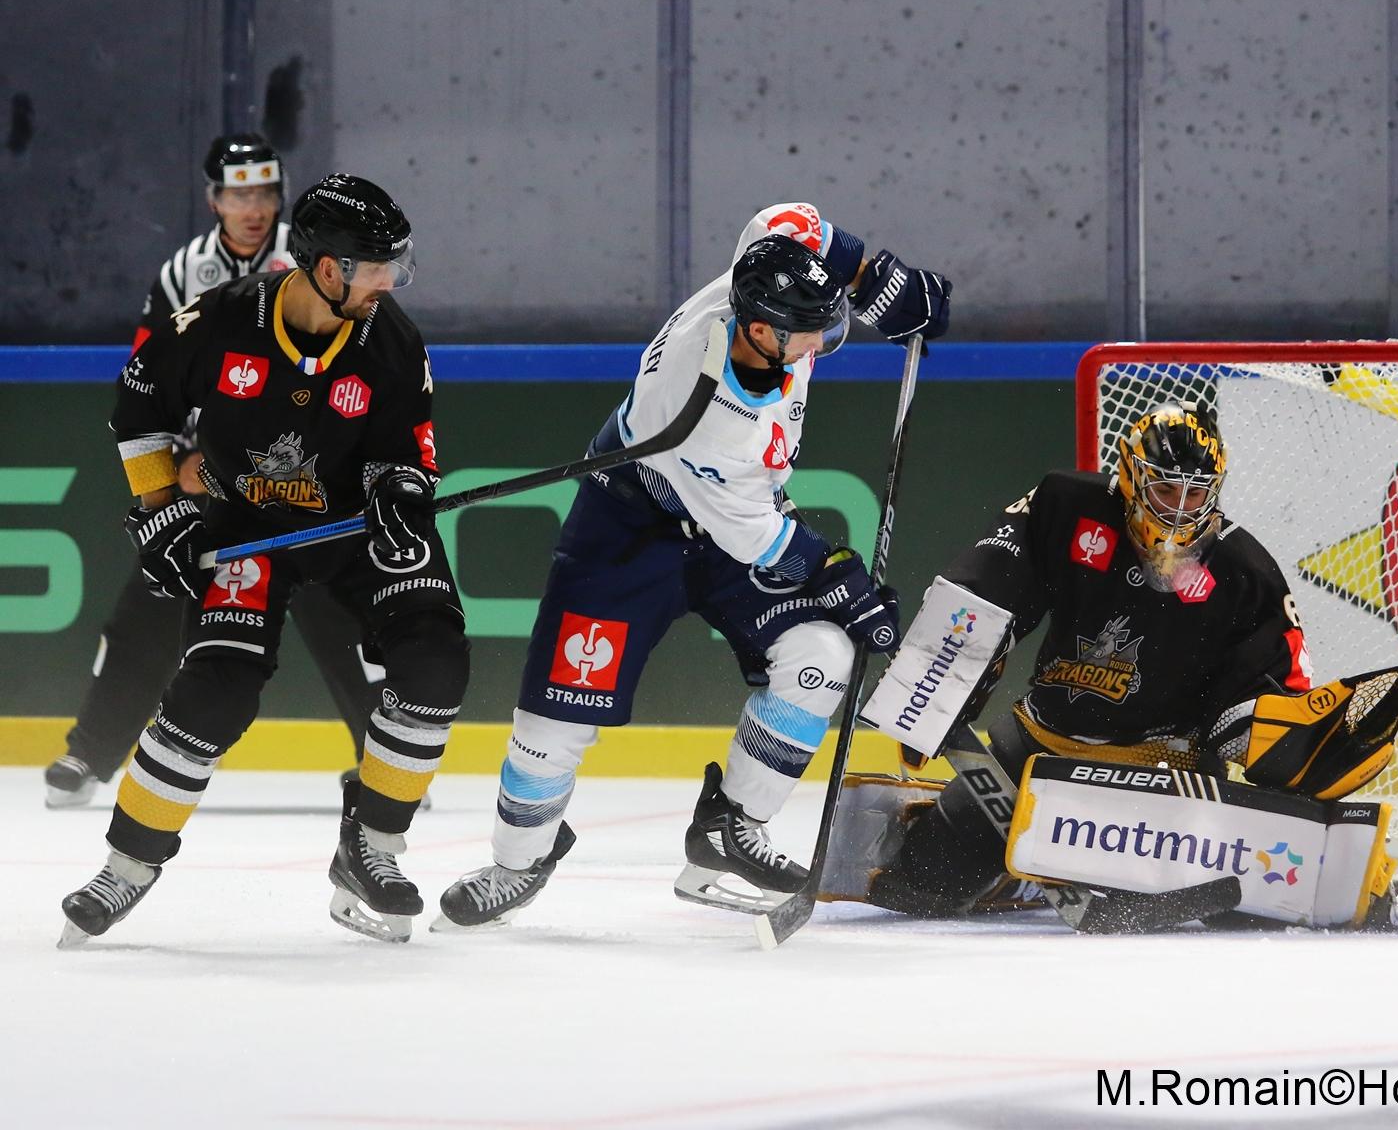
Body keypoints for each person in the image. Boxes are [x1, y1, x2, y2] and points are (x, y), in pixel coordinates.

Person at [434, 203, 950, 928]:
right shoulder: (706, 413)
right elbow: (758, 539)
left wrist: (872, 275)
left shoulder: (751, 284)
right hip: (630, 527)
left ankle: (728, 831)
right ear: (764, 330)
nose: (821, 342)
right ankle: (516, 863)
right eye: (810, 332)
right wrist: (840, 573)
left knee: (821, 652)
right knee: (551, 724)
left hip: (729, 522)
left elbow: (787, 218)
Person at [59, 174, 467, 946]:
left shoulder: (393, 340)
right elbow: (138, 406)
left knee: (435, 659)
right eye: (373, 266)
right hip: (248, 527)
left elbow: (409, 449)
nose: (388, 282)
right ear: (323, 269)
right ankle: (126, 866)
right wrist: (162, 508)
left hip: (352, 528)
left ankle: (372, 847)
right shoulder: (218, 321)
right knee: (214, 691)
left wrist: (401, 494)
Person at [849, 401, 1398, 928]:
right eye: (1165, 489)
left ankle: (1043, 863)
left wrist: (1287, 755)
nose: (1179, 510)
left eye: (1195, 495)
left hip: (1163, 779)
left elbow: (1272, 697)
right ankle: (1013, 869)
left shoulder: (1246, 571)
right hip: (1034, 753)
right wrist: (930, 688)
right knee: (918, 888)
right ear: (1129, 476)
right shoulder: (1065, 506)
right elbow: (985, 588)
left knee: (1245, 910)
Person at [43, 133, 384, 810]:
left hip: (305, 471)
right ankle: (89, 751)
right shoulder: (180, 274)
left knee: (335, 602)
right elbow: (147, 379)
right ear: (214, 200)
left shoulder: (319, 260)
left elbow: (363, 361)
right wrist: (175, 465)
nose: (253, 207)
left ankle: (381, 758)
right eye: (238, 193)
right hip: (212, 477)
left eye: (264, 192)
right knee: (154, 592)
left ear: (280, 195)